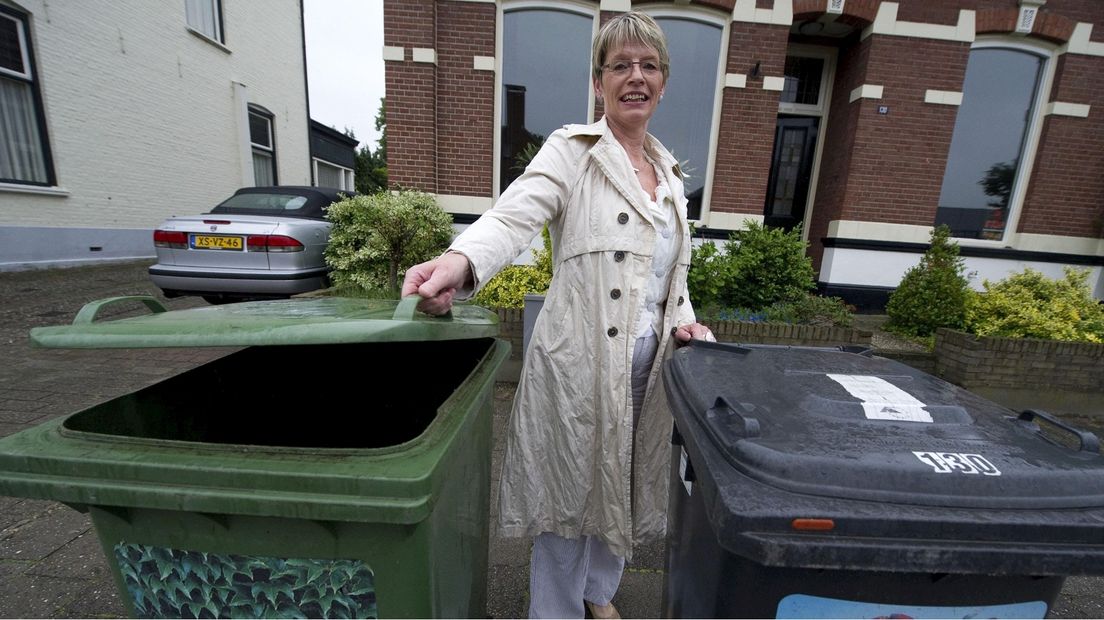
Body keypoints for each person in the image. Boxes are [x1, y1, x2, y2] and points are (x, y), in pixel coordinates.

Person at [401, 11, 713, 619]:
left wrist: (687, 320)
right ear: (599, 82)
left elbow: (667, 278)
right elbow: (512, 217)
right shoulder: (574, 152)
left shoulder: (672, 177)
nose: (635, 77)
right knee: (569, 499)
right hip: (581, 365)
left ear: (664, 81)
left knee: (621, 489)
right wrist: (460, 263)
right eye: (620, 65)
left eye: (648, 66)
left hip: (652, 372)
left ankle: (598, 594)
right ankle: (557, 611)